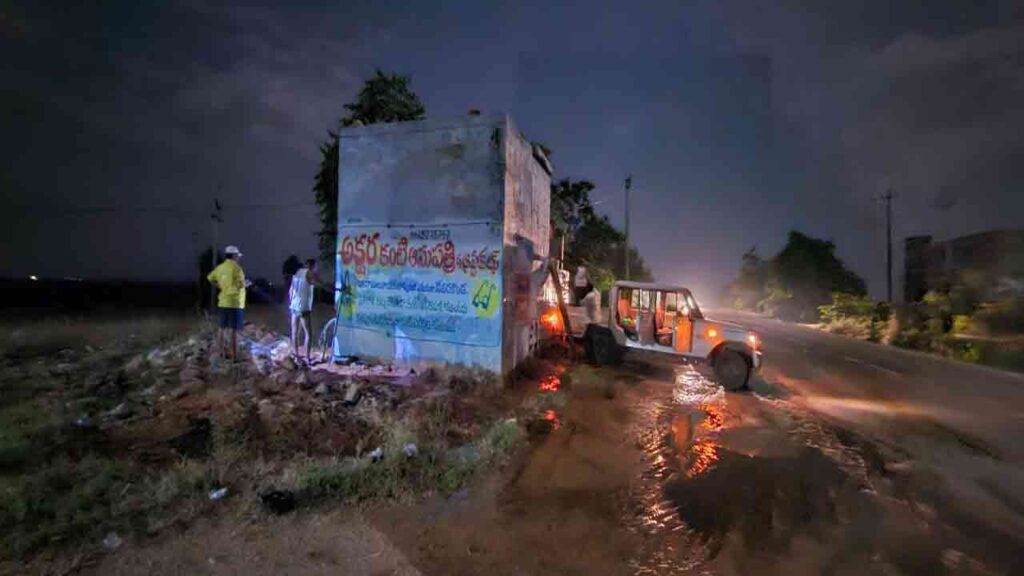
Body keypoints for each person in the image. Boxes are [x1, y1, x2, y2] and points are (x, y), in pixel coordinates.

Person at [207, 245, 248, 362]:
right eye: (237, 256)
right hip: (235, 303)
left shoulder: (220, 268)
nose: (238, 258)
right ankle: (235, 357)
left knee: (222, 328)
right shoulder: (237, 269)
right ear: (234, 256)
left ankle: (222, 353)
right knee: (234, 331)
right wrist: (246, 284)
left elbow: (210, 278)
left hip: (223, 302)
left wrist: (220, 287)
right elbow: (241, 284)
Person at [289, 258, 329, 363]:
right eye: (316, 266)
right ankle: (307, 358)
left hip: (294, 306)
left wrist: (292, 302)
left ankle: (296, 356)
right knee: (308, 333)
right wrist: (335, 289)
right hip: (303, 308)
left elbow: (291, 290)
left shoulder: (298, 273)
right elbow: (322, 284)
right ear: (312, 266)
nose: (317, 269)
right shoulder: (310, 273)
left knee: (294, 332)